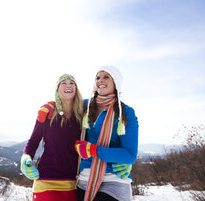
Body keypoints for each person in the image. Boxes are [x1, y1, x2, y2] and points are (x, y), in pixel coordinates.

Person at [74, 65, 139, 201]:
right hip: (84, 180)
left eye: (106, 77)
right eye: (97, 78)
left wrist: (94, 150)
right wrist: (49, 106)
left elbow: (130, 155)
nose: (100, 81)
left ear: (115, 82)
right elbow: (64, 102)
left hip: (114, 180)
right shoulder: (86, 106)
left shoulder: (126, 112)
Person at [21, 74, 84, 201]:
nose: (68, 85)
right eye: (63, 83)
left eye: (72, 82)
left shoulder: (82, 114)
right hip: (46, 181)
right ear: (58, 89)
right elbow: (33, 141)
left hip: (72, 183)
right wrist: (26, 157)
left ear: (76, 88)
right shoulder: (48, 113)